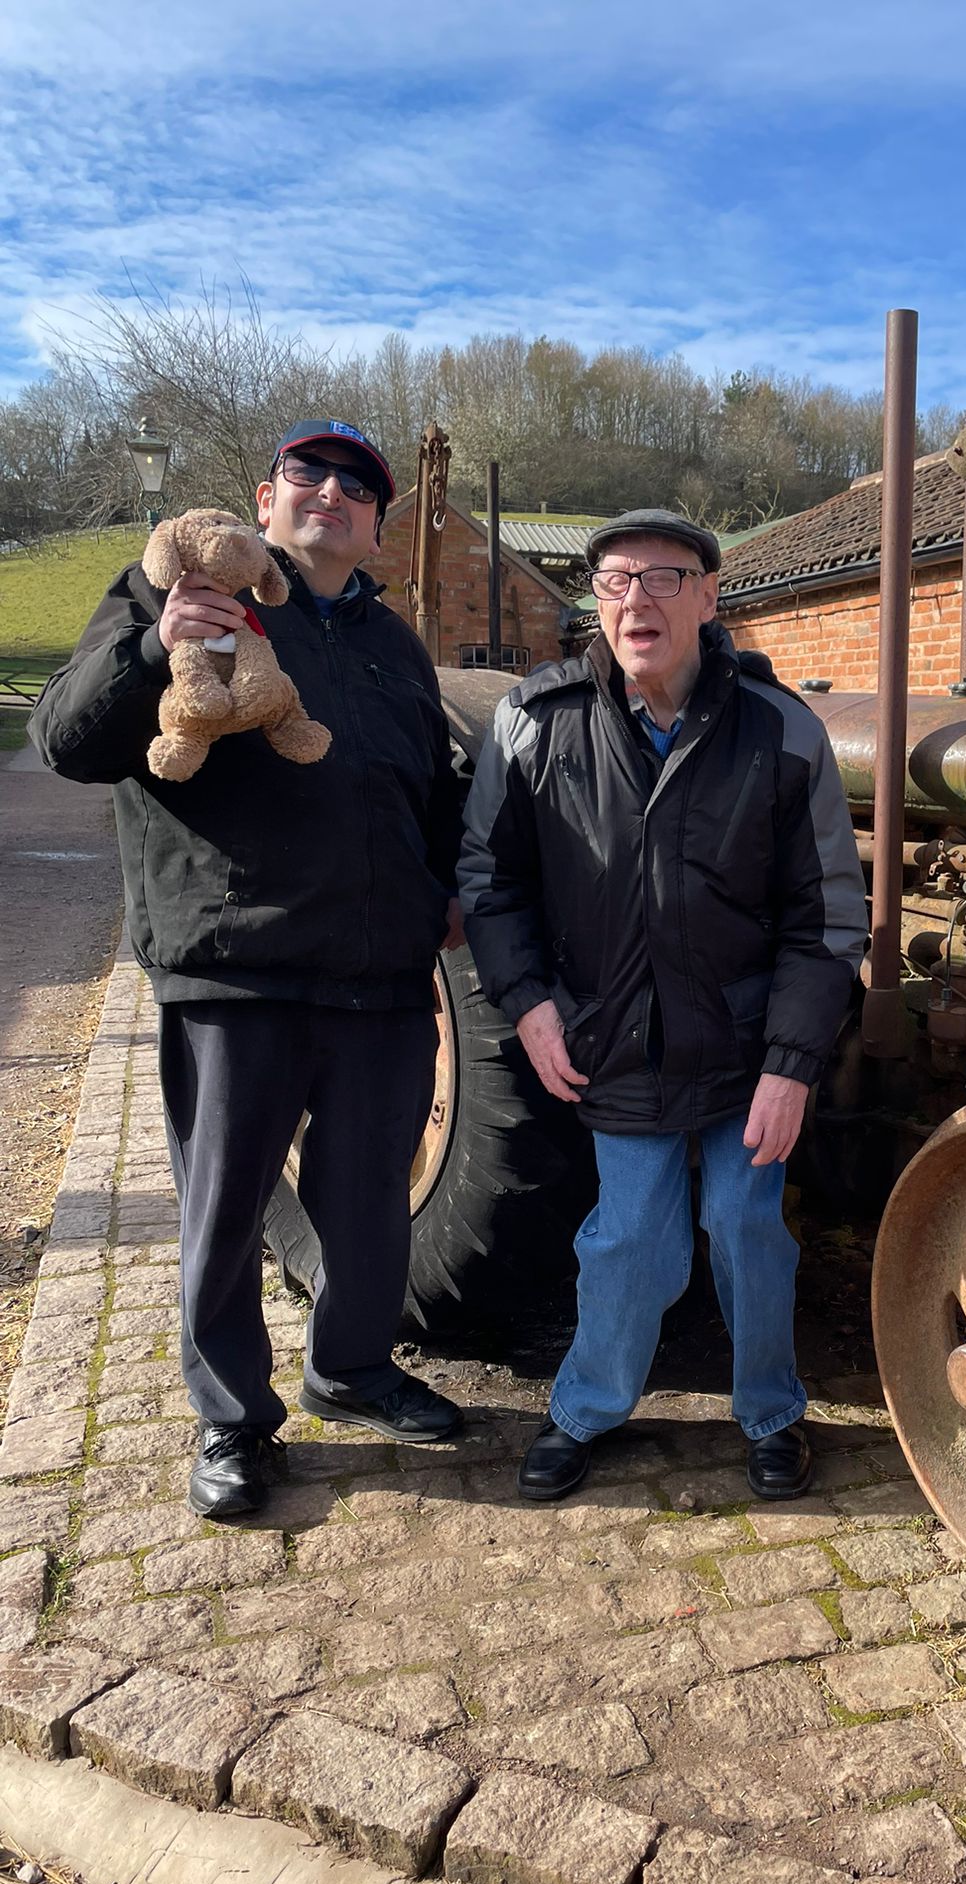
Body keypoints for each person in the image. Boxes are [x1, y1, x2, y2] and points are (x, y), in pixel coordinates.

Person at [31, 419, 466, 1520]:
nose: (332, 492)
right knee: (225, 1208)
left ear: (377, 528)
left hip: (381, 972)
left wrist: (452, 883)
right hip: (239, 966)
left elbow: (430, 788)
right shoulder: (179, 593)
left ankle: (351, 1368)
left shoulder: (394, 643)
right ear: (265, 499)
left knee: (368, 1202)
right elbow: (64, 741)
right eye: (308, 473)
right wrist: (151, 646)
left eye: (358, 486)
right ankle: (230, 1415)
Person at [458, 507, 867, 1502]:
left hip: (745, 1042)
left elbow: (826, 914)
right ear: (596, 601)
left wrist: (792, 1064)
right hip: (613, 1037)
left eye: (664, 578)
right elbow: (490, 880)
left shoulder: (782, 730)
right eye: (615, 580)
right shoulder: (536, 722)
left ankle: (771, 1410)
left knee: (747, 1224)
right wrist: (530, 1004)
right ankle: (586, 1407)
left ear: (709, 596)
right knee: (631, 1238)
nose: (636, 599)